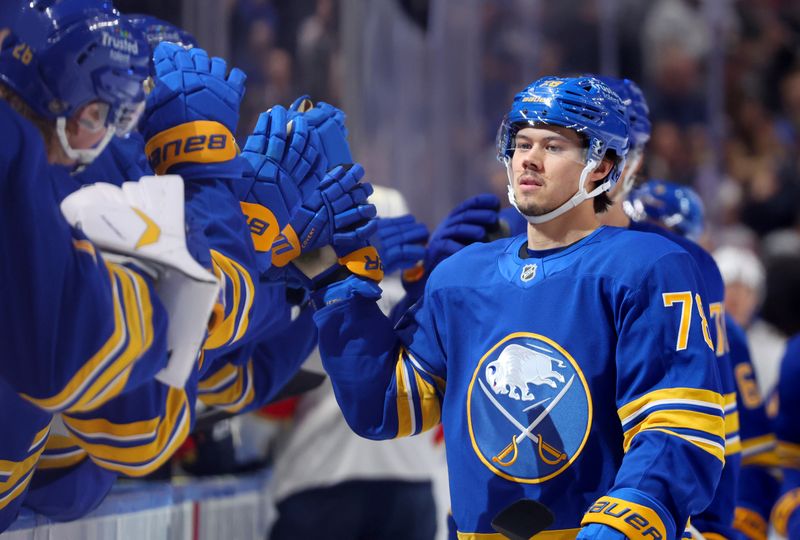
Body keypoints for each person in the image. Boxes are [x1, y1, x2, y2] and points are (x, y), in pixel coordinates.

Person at [308, 75, 724, 538]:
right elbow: (385, 408)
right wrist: (337, 284)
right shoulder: (459, 277)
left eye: (553, 146)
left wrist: (622, 526)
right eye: (521, 142)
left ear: (603, 166)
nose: (529, 157)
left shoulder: (649, 266)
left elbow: (678, 427)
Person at [625, 180, 779, 540]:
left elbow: (752, 446)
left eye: (670, 236)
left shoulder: (724, 330)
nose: (657, 250)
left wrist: (727, 528)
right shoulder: (606, 306)